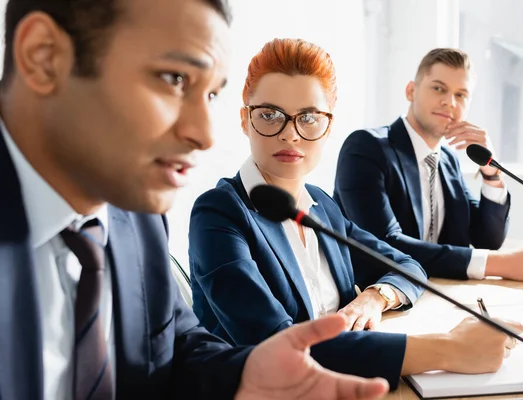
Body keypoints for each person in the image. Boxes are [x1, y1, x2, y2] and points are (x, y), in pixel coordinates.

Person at [0, 0, 393, 399]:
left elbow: (176, 349)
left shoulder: (134, 217)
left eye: (210, 95)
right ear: (43, 57)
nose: (205, 134)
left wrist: (244, 374)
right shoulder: (211, 208)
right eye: (174, 79)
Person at [189, 38, 523, 392]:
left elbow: (407, 266)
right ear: (245, 119)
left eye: (309, 117)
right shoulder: (218, 214)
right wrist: (449, 349)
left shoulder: (321, 207)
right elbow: (280, 347)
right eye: (270, 115)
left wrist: (375, 296)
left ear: (328, 126)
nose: (290, 134)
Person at [334, 48, 523, 282]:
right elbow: (385, 245)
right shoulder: (366, 148)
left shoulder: (448, 161)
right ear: (411, 91)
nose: (450, 102)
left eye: (461, 95)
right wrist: (502, 265)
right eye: (438, 88)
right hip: (377, 296)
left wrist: (491, 172)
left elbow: (487, 239)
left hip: (441, 291)